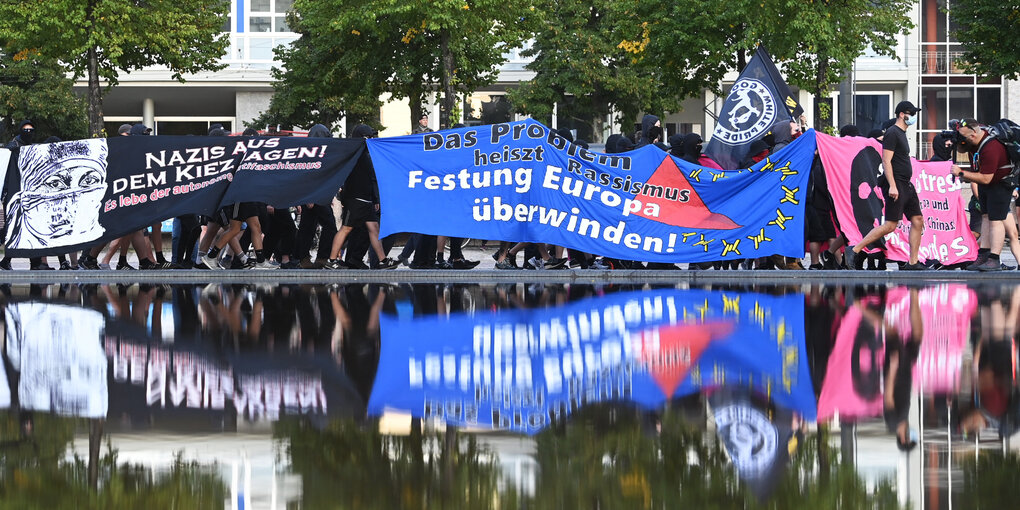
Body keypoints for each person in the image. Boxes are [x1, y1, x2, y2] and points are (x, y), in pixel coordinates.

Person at [846, 101, 925, 271]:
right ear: (902, 114)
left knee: (917, 220)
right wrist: (892, 186)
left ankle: (913, 262)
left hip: (906, 184)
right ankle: (854, 250)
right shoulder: (893, 133)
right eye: (912, 113)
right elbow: (886, 160)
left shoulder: (901, 133)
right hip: (897, 183)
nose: (914, 117)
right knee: (890, 225)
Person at [323, 124, 399, 270]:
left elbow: (370, 177)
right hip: (356, 198)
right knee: (346, 228)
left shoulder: (365, 153)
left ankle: (382, 261)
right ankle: (331, 260)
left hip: (365, 199)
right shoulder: (353, 153)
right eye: (369, 136)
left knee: (374, 227)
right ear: (363, 138)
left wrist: (374, 199)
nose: (372, 139)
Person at [951, 119, 1016, 271]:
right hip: (987, 185)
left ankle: (994, 259)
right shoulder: (974, 145)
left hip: (1001, 184)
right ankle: (984, 254)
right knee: (986, 216)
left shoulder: (991, 147)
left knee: (996, 220)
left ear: (973, 135)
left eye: (964, 139)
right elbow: (976, 169)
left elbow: (986, 177)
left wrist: (961, 173)